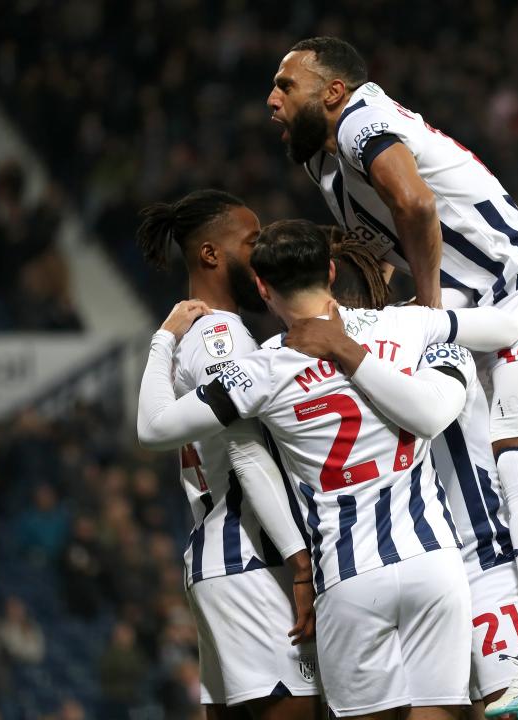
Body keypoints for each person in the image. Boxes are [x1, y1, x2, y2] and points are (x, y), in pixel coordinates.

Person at [267, 37, 518, 715]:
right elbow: (382, 254)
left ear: (331, 91)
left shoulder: (360, 121)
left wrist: (428, 314)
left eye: (285, 87)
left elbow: (414, 205)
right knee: (488, 470)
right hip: (475, 317)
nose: (271, 100)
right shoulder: (326, 169)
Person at [137, 219, 518, 719]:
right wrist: (423, 321)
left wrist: (164, 339)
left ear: (262, 286)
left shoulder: (263, 368)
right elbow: (507, 328)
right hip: (434, 562)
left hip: (348, 575)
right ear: (331, 270)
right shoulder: (401, 326)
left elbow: (154, 426)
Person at [304, 233, 518, 720]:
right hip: (456, 561)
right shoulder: (427, 333)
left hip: (442, 561)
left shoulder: (411, 335)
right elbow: (506, 324)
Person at [135, 189, 320, 719]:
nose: (262, 252)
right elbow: (245, 455)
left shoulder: (188, 336)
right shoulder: (222, 335)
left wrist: (161, 341)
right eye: (252, 240)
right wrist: (301, 564)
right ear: (211, 254)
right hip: (250, 558)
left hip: (218, 560)